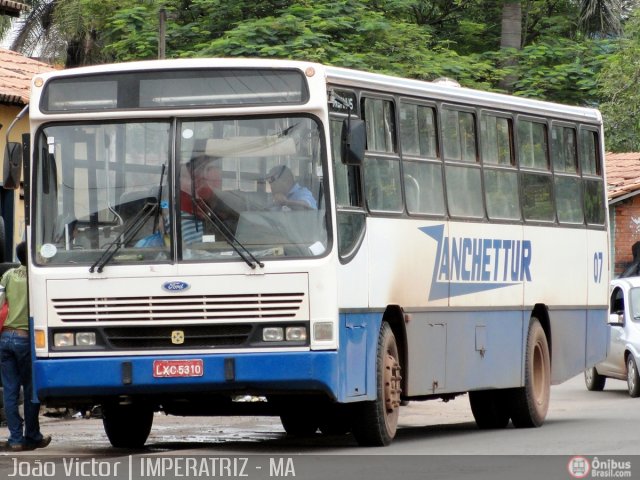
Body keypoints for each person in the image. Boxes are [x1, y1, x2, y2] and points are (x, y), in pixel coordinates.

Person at [0, 242, 51, 451]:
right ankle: (32, 435)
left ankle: (15, 439)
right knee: (31, 390)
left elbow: (0, 300)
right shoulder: (36, 277)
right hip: (25, 339)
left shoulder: (9, 275)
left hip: (5, 338)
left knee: (10, 391)